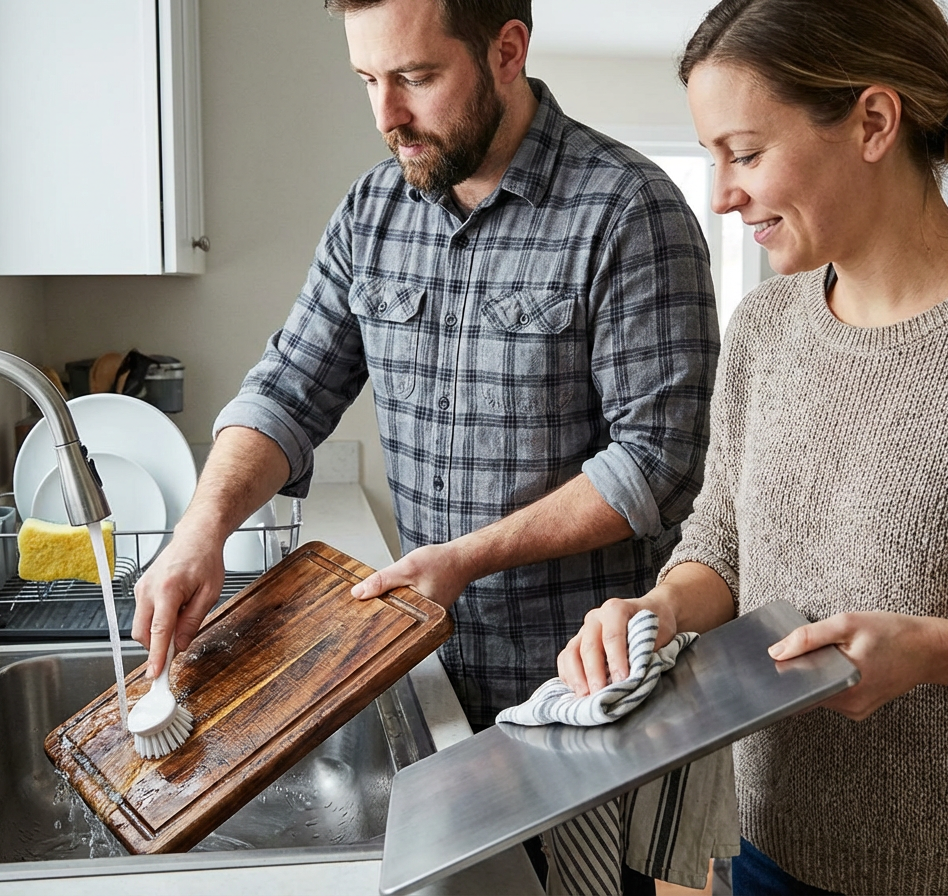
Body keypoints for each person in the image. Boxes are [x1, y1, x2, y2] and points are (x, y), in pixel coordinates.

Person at [132, 0, 731, 892]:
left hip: (578, 695)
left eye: (414, 78)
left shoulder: (629, 211)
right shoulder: (373, 212)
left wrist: (467, 558)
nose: (386, 115)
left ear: (506, 50)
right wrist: (201, 529)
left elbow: (658, 461)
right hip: (429, 678)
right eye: (369, 81)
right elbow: (288, 389)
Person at [557, 0, 948, 894]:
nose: (723, 191)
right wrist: (652, 612)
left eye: (747, 152)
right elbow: (721, 550)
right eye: (714, 157)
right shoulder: (766, 328)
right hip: (772, 851)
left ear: (873, 123)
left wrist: (931, 650)